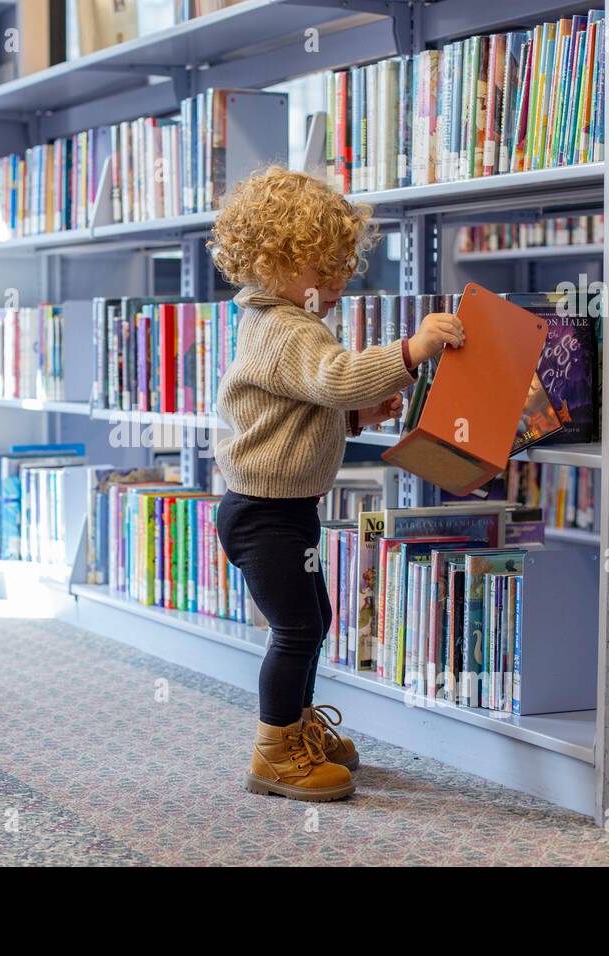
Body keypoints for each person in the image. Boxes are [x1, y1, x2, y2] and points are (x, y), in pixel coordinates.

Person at [210, 166, 465, 802]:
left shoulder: (284, 321)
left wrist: (354, 418)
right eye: (319, 270)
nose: (335, 281)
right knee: (296, 628)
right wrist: (412, 350)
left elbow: (303, 407)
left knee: (314, 618)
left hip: (284, 508)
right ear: (271, 264)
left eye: (339, 267)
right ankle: (274, 753)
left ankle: (294, 728)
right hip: (262, 513)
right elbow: (334, 378)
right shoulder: (286, 328)